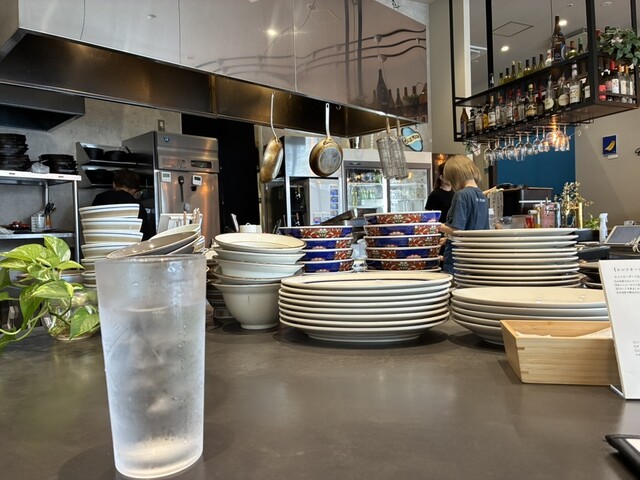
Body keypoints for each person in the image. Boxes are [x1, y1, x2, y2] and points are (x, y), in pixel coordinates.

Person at [439, 155, 489, 274]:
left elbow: (458, 230)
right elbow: (473, 228)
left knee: (455, 282)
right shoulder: (482, 195)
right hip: (476, 254)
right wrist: (447, 238)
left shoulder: (461, 195)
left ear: (455, 177)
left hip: (459, 255)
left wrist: (436, 226)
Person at [92, 169, 155, 240]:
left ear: (114, 184)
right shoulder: (138, 206)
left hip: (101, 242)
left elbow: (92, 225)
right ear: (134, 190)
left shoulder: (100, 198)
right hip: (130, 245)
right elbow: (144, 236)